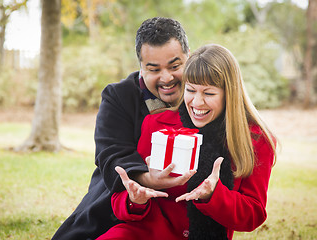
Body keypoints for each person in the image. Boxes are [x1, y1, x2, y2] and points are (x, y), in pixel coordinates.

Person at [96, 44, 277, 240]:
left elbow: (253, 215)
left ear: (229, 94)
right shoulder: (157, 124)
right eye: (191, 90)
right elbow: (120, 201)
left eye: (208, 94)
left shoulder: (256, 140)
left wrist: (213, 195)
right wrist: (135, 199)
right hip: (143, 234)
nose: (197, 103)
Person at [52, 17, 194, 240]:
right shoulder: (118, 96)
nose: (167, 78)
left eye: (175, 66)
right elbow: (111, 155)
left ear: (189, 58)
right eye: (154, 69)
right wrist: (147, 178)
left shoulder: (204, 96)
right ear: (140, 67)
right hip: (119, 205)